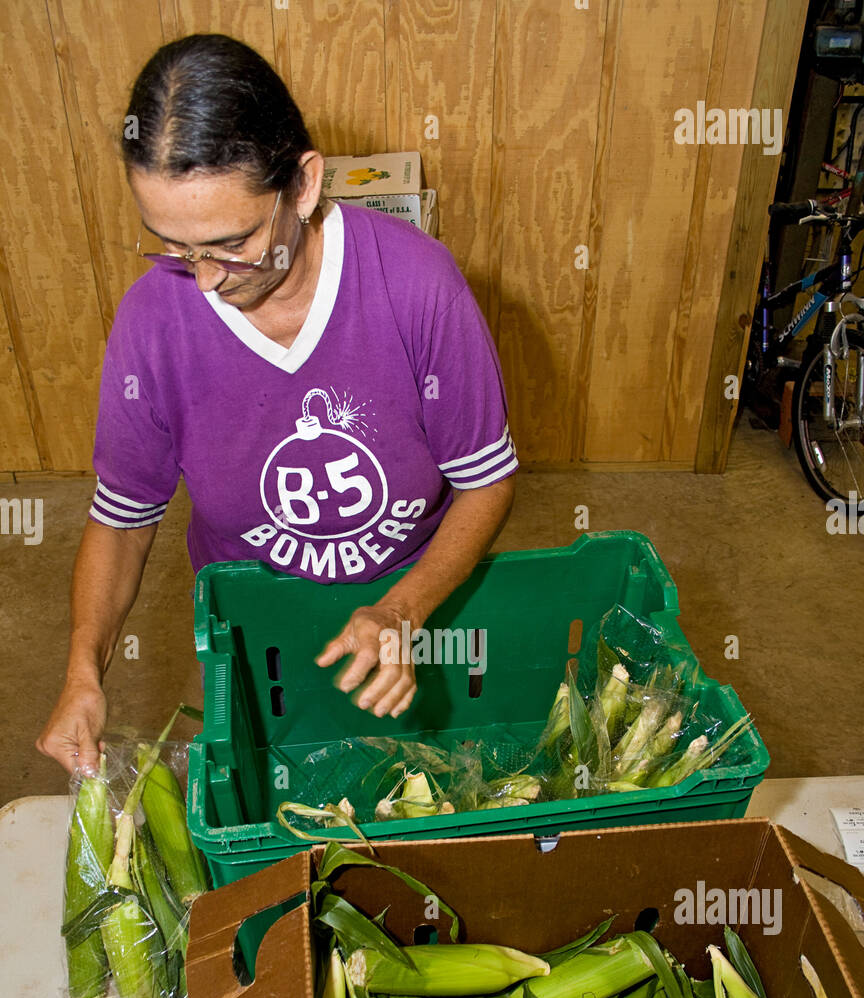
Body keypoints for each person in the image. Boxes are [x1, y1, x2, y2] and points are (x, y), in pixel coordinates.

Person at [37, 33, 518, 776]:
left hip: (414, 610)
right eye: (171, 245)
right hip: (251, 624)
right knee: (250, 801)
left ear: (303, 184)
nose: (205, 280)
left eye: (233, 243)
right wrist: (83, 671)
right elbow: (124, 522)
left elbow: (486, 481)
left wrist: (404, 610)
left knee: (427, 792)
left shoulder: (417, 285)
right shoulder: (153, 321)